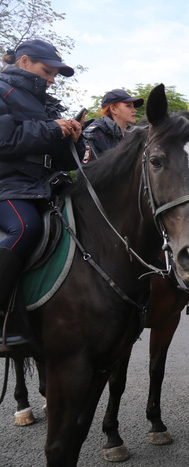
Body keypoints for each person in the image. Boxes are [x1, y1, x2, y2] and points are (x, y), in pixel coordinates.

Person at [0, 40, 82, 349]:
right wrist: (52, 130)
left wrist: (73, 139)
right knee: (25, 227)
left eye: (55, 74)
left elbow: (62, 157)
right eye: (47, 71)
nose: (51, 79)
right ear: (23, 62)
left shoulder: (49, 104)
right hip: (7, 185)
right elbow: (4, 142)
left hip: (44, 185)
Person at [82, 89, 144, 161]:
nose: (134, 110)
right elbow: (87, 170)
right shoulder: (94, 134)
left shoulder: (136, 134)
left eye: (133, 106)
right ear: (113, 109)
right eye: (128, 106)